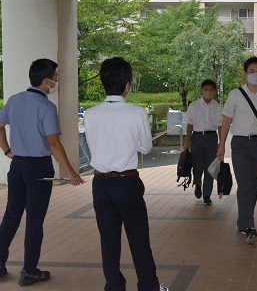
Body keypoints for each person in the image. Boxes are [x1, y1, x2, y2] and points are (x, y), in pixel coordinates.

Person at [84, 57, 168, 291]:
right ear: (127, 85)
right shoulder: (136, 112)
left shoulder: (90, 114)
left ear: (103, 82)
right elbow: (146, 148)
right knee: (139, 239)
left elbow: (93, 145)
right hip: (127, 183)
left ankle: (114, 286)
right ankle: (149, 287)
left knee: (109, 241)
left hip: (100, 184)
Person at [0, 58, 84, 286]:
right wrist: (71, 173)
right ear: (46, 81)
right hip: (38, 168)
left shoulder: (14, 101)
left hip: (17, 167)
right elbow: (54, 144)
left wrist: (8, 151)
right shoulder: (46, 107)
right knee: (34, 220)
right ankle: (28, 271)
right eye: (56, 76)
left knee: (11, 215)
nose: (57, 80)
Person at [217, 56, 257, 244]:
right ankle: (248, 226)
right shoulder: (235, 95)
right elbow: (226, 121)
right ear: (245, 74)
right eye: (251, 71)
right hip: (240, 145)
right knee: (245, 185)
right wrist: (221, 146)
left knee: (253, 187)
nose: (255, 75)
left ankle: (242, 220)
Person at [183, 79, 223, 205]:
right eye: (206, 89)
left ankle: (207, 195)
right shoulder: (194, 106)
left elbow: (221, 126)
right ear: (201, 90)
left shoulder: (218, 107)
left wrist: (221, 143)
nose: (208, 92)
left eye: (211, 90)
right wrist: (187, 142)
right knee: (197, 165)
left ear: (214, 91)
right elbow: (190, 124)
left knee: (210, 168)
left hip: (211, 138)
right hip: (197, 138)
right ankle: (198, 183)